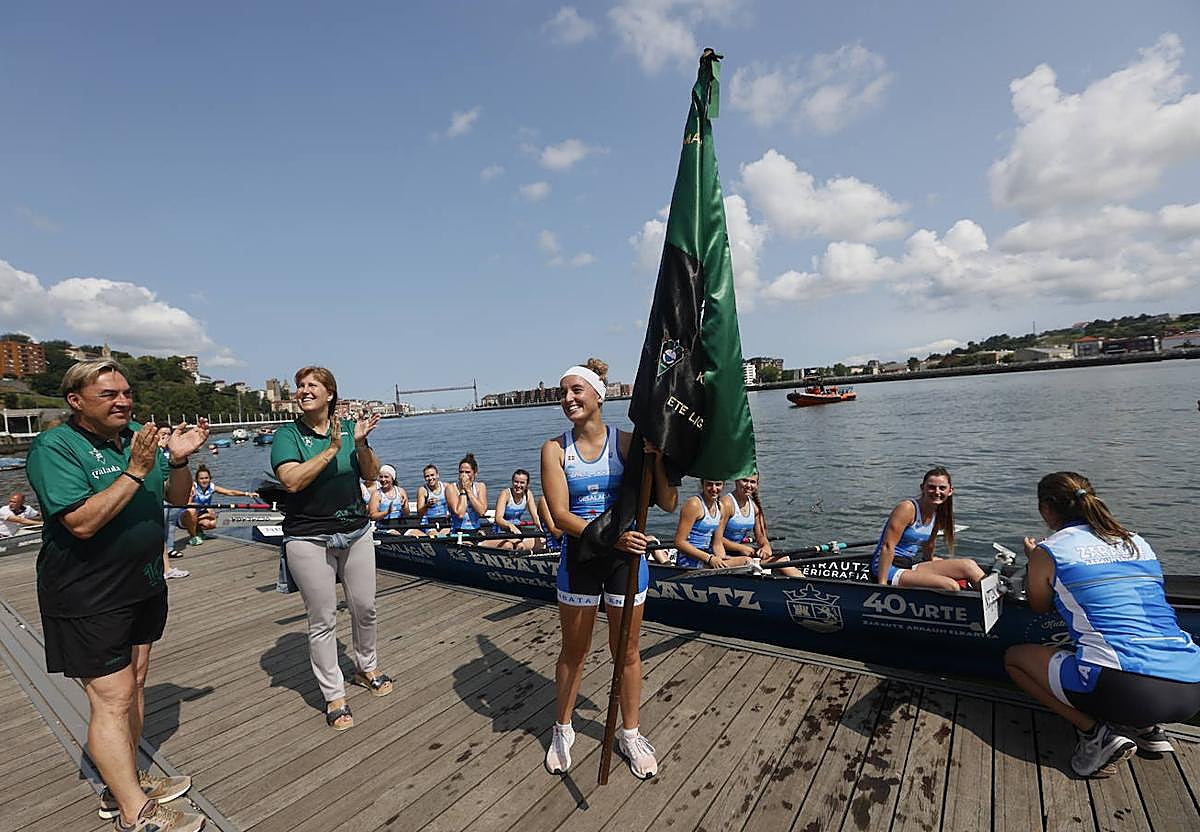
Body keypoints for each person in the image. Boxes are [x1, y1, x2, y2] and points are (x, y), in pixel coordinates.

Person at [26, 359, 209, 832]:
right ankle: (136, 813)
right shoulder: (56, 447)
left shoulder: (134, 441)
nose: (123, 401)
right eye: (109, 395)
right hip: (89, 593)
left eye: (126, 393)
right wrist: (136, 469)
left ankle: (123, 782)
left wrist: (181, 461)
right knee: (112, 699)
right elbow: (81, 522)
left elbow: (178, 498)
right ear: (76, 401)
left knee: (136, 684)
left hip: (142, 584)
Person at [1004, 472, 1200, 777]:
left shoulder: (1050, 549)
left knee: (1015, 659)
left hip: (1127, 688)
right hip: (1191, 686)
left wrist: (1034, 562)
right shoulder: (1135, 540)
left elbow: (1039, 605)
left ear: (1046, 509)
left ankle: (1096, 735)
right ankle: (1148, 730)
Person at [540, 360, 678, 780]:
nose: (568, 399)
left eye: (576, 390)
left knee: (628, 652)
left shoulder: (629, 444)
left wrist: (655, 460)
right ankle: (563, 728)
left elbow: (669, 502)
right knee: (574, 651)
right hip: (581, 559)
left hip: (625, 561)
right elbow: (561, 517)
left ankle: (630, 733)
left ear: (599, 395)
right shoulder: (554, 449)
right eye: (563, 392)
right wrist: (611, 538)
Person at [271, 366, 393, 732]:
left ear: (329, 395)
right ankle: (333, 694)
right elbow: (291, 481)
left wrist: (358, 444)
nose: (304, 390)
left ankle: (366, 667)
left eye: (312, 385)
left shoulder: (346, 432)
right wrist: (332, 450)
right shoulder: (287, 435)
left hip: (355, 531)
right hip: (308, 537)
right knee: (322, 618)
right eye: (300, 386)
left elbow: (369, 475)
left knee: (366, 608)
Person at [870, 466, 984, 590]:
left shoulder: (938, 513)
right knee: (950, 586)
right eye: (931, 487)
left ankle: (997, 601)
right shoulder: (907, 508)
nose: (937, 492)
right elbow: (888, 546)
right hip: (888, 567)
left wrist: (932, 563)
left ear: (950, 491)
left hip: (909, 563)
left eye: (942, 488)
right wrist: (882, 585)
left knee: (969, 565)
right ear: (922, 488)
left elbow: (929, 545)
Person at [715, 474, 804, 577]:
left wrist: (765, 546)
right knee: (751, 561)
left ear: (757, 484)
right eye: (745, 481)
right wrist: (740, 548)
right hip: (719, 553)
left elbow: (761, 537)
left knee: (781, 559)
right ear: (736, 481)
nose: (749, 485)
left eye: (752, 482)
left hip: (738, 553)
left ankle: (806, 584)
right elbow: (716, 538)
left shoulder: (754, 507)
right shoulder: (726, 504)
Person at [674, 480, 751, 570]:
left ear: (723, 485)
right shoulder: (693, 504)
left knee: (750, 560)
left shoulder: (720, 507)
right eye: (709, 484)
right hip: (688, 561)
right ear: (702, 484)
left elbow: (717, 544)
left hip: (707, 557)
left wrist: (721, 559)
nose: (714, 489)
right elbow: (679, 542)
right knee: (746, 561)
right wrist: (709, 559)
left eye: (718, 485)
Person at [175, 464, 257, 547]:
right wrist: (203, 507)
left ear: (210, 479)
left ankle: (199, 531)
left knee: (213, 523)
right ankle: (193, 537)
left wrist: (246, 494)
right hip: (184, 517)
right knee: (192, 511)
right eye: (201, 478)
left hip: (198, 515)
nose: (204, 481)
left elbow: (229, 492)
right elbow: (186, 505)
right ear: (197, 480)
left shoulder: (212, 487)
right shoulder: (192, 488)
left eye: (206, 478)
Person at [486, 469, 544, 551]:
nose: (518, 485)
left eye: (522, 483)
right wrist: (510, 526)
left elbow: (535, 516)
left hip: (517, 532)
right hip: (501, 532)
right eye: (516, 482)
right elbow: (498, 518)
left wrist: (541, 527)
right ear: (512, 482)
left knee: (541, 542)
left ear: (527, 484)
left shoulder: (528, 494)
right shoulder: (505, 494)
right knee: (516, 546)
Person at [447, 453, 488, 535]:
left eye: (467, 472)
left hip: (476, 529)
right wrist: (463, 490)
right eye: (461, 472)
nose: (464, 475)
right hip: (459, 531)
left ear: (475, 473)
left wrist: (469, 491)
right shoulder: (451, 488)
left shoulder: (480, 486)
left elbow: (482, 511)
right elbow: (460, 514)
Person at [407, 464, 450, 537]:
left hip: (444, 521)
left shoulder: (446, 487)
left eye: (432, 475)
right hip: (428, 522)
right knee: (434, 536)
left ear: (437, 475)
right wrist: (427, 505)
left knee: (446, 533)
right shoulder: (423, 490)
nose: (430, 478)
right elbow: (419, 513)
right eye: (427, 476)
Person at [367, 464, 409, 534]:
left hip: (401, 526)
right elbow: (373, 516)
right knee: (395, 535)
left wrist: (404, 507)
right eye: (381, 477)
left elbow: (407, 514)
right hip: (384, 528)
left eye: (386, 477)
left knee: (418, 535)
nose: (383, 480)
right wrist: (387, 512)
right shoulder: (376, 494)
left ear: (392, 478)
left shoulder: (401, 491)